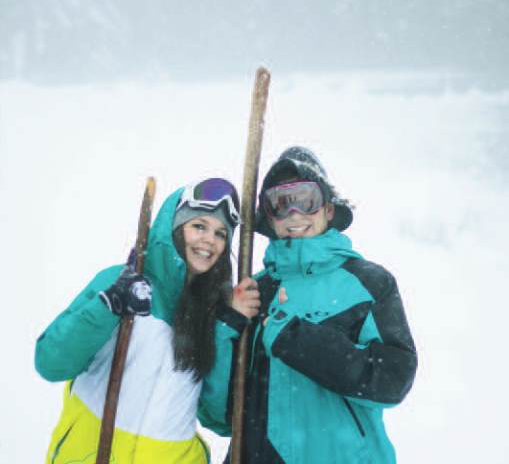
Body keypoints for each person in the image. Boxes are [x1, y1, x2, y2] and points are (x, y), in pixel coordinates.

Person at [199, 147, 418, 464]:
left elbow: (393, 380)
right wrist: (226, 325)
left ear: (328, 209)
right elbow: (221, 416)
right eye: (280, 203)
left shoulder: (367, 283)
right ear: (269, 217)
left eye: (306, 199)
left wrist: (296, 338)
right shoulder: (253, 292)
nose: (294, 213)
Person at [35, 177, 245, 464]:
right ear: (174, 227)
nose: (210, 239)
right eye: (199, 226)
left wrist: (227, 327)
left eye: (221, 234)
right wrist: (109, 305)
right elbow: (51, 362)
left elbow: (218, 419)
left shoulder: (212, 318)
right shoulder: (120, 283)